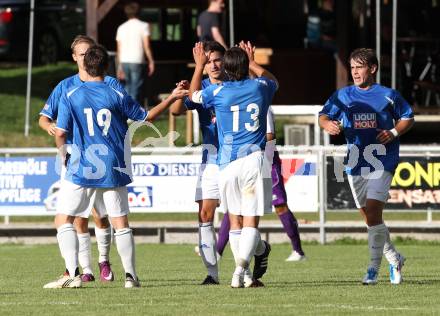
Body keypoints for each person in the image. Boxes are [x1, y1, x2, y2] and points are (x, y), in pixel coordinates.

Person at [43, 44, 188, 289]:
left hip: (82, 164)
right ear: (106, 67)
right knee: (120, 222)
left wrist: (63, 153)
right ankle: (130, 276)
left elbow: (61, 131)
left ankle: (71, 273)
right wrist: (172, 97)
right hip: (113, 164)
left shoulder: (71, 94)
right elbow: (147, 117)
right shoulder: (115, 93)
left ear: (84, 64)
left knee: (64, 219)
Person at [319, 48, 414, 285]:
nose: (355, 72)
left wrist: (393, 132)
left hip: (382, 159)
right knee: (371, 218)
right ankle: (394, 258)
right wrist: (327, 125)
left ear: (372, 68)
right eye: (352, 67)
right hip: (355, 162)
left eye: (359, 67)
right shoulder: (343, 95)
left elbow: (408, 117)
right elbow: (322, 115)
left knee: (372, 212)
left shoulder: (388, 95)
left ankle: (373, 268)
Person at [190, 43, 278, 288]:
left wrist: (199, 66)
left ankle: (244, 274)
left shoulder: (218, 92)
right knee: (250, 221)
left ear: (226, 70)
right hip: (253, 160)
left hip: (226, 164)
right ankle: (240, 270)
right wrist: (252, 62)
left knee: (235, 221)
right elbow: (272, 79)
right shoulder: (260, 87)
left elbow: (193, 95)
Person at [39, 35, 115, 283]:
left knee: (99, 215)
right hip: (73, 159)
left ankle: (104, 260)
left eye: (88, 53)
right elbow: (44, 117)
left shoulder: (109, 83)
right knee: (76, 217)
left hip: (101, 159)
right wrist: (49, 127)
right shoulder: (65, 86)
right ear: (74, 57)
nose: (84, 58)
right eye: (80, 54)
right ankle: (85, 269)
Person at [170, 41, 225, 285]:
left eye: (217, 60)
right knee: (205, 214)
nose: (212, 65)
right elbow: (177, 110)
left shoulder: (236, 85)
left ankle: (257, 251)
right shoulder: (199, 86)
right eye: (207, 61)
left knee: (238, 217)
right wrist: (193, 73)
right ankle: (212, 274)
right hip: (211, 159)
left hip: (237, 160)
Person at [116, 1, 155, 105]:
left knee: (127, 87)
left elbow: (119, 49)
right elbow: (146, 46)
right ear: (139, 12)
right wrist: (151, 61)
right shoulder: (144, 26)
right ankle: (132, 113)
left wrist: (119, 66)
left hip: (124, 60)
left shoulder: (121, 27)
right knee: (136, 87)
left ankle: (126, 111)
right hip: (137, 60)